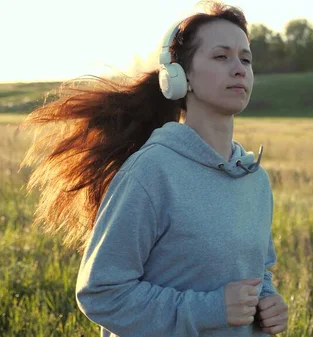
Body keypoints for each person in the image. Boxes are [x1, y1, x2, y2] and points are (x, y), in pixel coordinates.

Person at [20, 2, 288, 336]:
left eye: (245, 58)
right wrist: (212, 309)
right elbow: (102, 293)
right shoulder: (151, 172)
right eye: (221, 56)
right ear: (180, 75)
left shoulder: (254, 179)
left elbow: (258, 271)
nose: (239, 68)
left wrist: (268, 302)